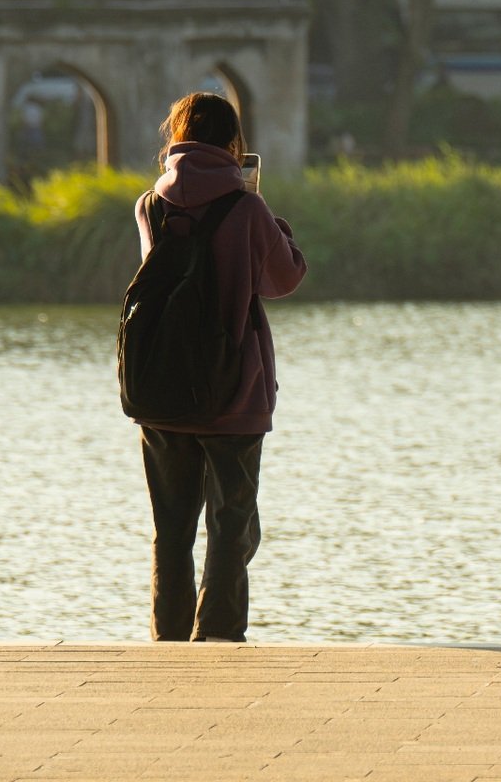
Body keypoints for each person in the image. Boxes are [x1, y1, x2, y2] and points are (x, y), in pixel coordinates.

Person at [131, 91, 307, 642]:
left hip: (160, 387)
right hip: (235, 392)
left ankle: (170, 638)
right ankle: (220, 637)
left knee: (171, 527)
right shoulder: (247, 208)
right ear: (234, 144)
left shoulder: (149, 204)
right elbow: (283, 279)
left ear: (177, 136)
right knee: (230, 525)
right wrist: (275, 227)